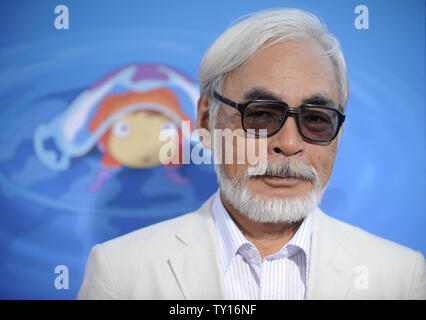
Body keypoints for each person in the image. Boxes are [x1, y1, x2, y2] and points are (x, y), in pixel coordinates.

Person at [78, 8, 425, 299]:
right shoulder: (121, 275)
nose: (289, 144)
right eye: (260, 114)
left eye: (316, 119)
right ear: (205, 119)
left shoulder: (399, 277)